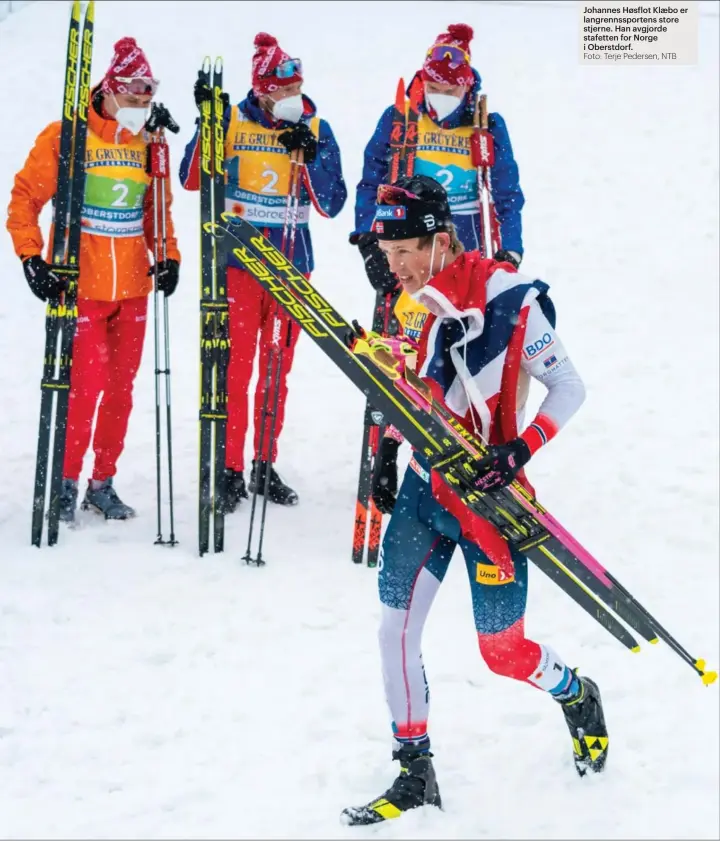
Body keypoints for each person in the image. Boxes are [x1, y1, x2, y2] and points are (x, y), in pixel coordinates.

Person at [341, 176, 607, 826]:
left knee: (502, 651)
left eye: (403, 251)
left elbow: (569, 387)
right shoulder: (413, 300)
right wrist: (386, 448)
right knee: (392, 628)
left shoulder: (509, 300)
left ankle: (577, 693)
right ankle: (415, 768)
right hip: (429, 488)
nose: (392, 265)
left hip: (493, 505)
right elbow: (418, 385)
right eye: (386, 251)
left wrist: (520, 450)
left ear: (439, 240)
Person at [7, 37, 181, 524]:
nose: (140, 111)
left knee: (121, 392)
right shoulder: (67, 136)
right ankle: (63, 481)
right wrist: (30, 257)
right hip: (81, 286)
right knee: (82, 390)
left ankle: (101, 482)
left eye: (147, 103)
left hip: (132, 286)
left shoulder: (149, 144)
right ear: (108, 92)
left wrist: (168, 256)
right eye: (133, 101)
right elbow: (24, 200)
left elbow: (156, 210)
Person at [179, 32, 347, 509]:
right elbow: (191, 178)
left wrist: (310, 157)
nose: (290, 99)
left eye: (296, 89)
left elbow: (333, 202)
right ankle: (229, 468)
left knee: (277, 370)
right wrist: (206, 124)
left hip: (292, 265)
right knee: (235, 369)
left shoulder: (316, 126)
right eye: (281, 91)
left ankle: (262, 463)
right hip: (238, 263)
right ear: (260, 89)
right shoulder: (234, 121)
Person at [351, 23, 525, 301]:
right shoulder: (400, 117)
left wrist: (512, 249)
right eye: (433, 87)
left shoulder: (486, 125)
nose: (440, 97)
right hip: (408, 231)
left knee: (457, 321)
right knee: (404, 320)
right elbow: (372, 182)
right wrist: (368, 240)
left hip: (465, 232)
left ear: (466, 86)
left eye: (450, 90)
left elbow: (507, 193)